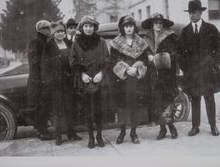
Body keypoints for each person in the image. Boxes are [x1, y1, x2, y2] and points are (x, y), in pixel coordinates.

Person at [177, 0, 220, 136]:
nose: (192, 15)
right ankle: (195, 127)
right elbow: (179, 53)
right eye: (190, 13)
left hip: (208, 71)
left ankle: (213, 126)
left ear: (200, 12)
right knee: (195, 99)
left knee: (209, 99)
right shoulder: (185, 31)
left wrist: (215, 64)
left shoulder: (211, 28)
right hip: (192, 73)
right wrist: (186, 69)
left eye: (194, 12)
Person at [70, 16, 110, 149]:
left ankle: (99, 135)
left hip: (99, 80)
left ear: (94, 28)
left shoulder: (101, 41)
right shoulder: (76, 43)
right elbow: (73, 61)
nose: (88, 29)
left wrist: (101, 73)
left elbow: (107, 59)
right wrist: (82, 74)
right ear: (82, 28)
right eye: (86, 26)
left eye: (91, 26)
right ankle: (91, 137)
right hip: (84, 81)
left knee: (99, 110)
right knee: (88, 110)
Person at [110, 15, 150, 144]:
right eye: (126, 26)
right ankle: (122, 132)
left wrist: (137, 68)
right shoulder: (116, 43)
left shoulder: (141, 42)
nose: (129, 29)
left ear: (134, 27)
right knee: (122, 107)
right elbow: (113, 60)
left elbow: (145, 60)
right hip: (122, 81)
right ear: (122, 28)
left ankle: (133, 133)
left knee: (135, 106)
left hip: (137, 80)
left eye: (131, 26)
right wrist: (126, 69)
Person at [41, 20, 82, 145]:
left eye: (62, 32)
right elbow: (44, 65)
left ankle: (71, 132)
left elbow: (74, 59)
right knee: (58, 110)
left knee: (70, 107)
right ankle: (58, 135)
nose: (60, 34)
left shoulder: (69, 43)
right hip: (56, 83)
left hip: (69, 81)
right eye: (58, 32)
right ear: (53, 33)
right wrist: (50, 80)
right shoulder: (48, 46)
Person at [141, 13, 179, 140]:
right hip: (152, 76)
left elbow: (176, 54)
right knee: (157, 103)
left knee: (167, 102)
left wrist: (160, 58)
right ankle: (162, 129)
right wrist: (147, 58)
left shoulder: (170, 37)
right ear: (152, 24)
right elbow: (141, 56)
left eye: (160, 22)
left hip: (167, 76)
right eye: (156, 22)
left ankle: (172, 127)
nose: (158, 25)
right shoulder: (146, 39)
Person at [27, 20, 54, 141]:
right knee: (42, 107)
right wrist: (42, 80)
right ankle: (43, 132)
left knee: (41, 107)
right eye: (48, 28)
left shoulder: (42, 41)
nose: (50, 30)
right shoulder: (37, 43)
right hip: (39, 81)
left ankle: (40, 131)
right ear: (42, 30)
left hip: (40, 80)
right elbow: (36, 64)